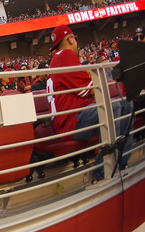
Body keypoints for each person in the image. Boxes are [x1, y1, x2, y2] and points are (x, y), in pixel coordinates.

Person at [47, 24, 132, 180]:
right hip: (71, 120)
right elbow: (91, 90)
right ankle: (102, 172)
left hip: (69, 118)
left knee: (127, 105)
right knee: (116, 107)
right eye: (75, 39)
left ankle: (119, 163)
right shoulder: (65, 55)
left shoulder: (57, 57)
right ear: (70, 39)